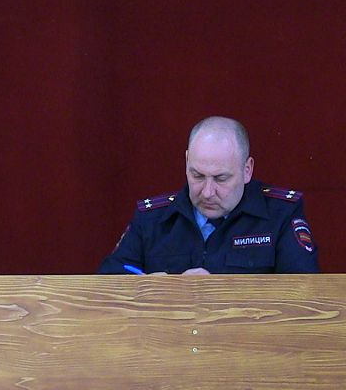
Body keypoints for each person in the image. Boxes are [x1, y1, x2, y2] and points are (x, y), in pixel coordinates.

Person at [98, 116, 319, 274]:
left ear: (247, 170)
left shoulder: (280, 215)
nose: (207, 192)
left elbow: (304, 296)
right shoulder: (152, 219)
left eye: (221, 178)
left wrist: (218, 294)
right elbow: (108, 285)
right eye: (197, 176)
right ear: (186, 162)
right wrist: (156, 290)